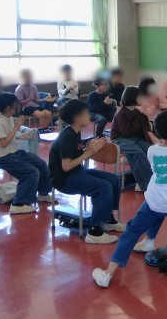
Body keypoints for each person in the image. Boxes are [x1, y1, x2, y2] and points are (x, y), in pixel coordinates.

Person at [91, 110, 167, 286]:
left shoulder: (152, 151)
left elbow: (163, 156)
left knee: (131, 232)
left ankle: (107, 274)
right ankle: (149, 241)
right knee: (162, 205)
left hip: (156, 203)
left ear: (158, 133)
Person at [49, 99, 124, 245]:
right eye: (86, 113)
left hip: (76, 172)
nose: (89, 115)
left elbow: (76, 156)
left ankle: (108, 220)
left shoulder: (75, 132)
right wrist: (89, 152)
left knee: (113, 180)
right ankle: (94, 232)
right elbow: (66, 166)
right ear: (77, 117)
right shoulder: (67, 137)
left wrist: (88, 148)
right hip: (63, 179)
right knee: (103, 187)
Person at [0, 92, 53, 214]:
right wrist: (17, 127)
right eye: (15, 105)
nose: (17, 107)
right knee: (31, 172)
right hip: (2, 157)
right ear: (8, 108)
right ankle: (18, 204)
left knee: (41, 164)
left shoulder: (8, 117)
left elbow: (10, 134)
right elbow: (3, 143)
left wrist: (23, 135)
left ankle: (43, 193)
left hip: (13, 152)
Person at [110, 86, 155, 192]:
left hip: (133, 138)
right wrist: (142, 116)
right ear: (133, 97)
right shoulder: (121, 114)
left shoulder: (136, 111)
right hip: (120, 140)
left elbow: (142, 128)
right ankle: (146, 185)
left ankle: (147, 180)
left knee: (150, 150)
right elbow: (127, 133)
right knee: (138, 153)